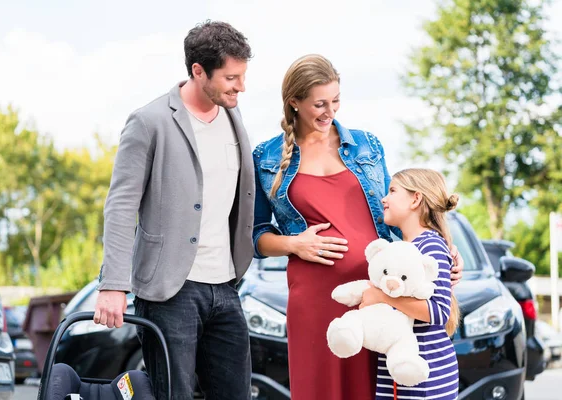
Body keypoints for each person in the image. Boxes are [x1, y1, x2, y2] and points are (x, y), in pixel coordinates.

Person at [252, 54, 463, 400]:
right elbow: (256, 236)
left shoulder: (367, 145)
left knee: (373, 388)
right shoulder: (267, 157)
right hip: (314, 297)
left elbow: (395, 216)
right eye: (319, 103)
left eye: (335, 101)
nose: (329, 111)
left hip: (377, 294)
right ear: (294, 101)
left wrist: (440, 250)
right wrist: (294, 245)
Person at [93, 21, 255, 400]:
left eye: (243, 76)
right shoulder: (149, 121)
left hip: (226, 285)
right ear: (198, 71)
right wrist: (114, 284)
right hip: (171, 290)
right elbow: (120, 206)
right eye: (232, 78)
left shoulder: (234, 117)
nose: (241, 87)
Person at [360, 168, 460, 399]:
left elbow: (439, 312)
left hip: (427, 375)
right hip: (398, 374)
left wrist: (382, 296)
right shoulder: (403, 248)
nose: (384, 198)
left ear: (416, 199)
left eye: (393, 191)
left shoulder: (430, 245)